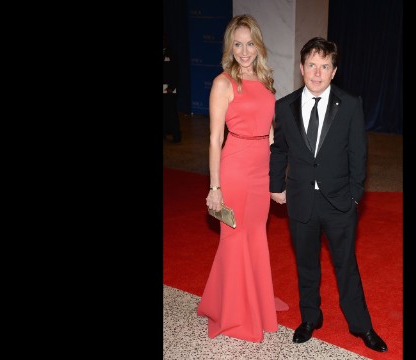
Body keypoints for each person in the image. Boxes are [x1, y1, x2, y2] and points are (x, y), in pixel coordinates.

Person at [269, 37, 388, 352]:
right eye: (312, 65)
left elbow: (358, 154)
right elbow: (278, 149)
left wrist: (354, 196)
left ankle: (361, 325)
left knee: (346, 265)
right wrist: (276, 186)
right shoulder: (284, 106)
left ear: (334, 71)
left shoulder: (349, 104)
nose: (317, 73)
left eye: (325, 66)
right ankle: (310, 318)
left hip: (339, 202)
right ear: (301, 67)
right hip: (300, 200)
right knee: (306, 264)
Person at [197, 14, 287, 343]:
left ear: (258, 46)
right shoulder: (223, 83)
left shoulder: (265, 81)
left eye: (250, 44)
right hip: (235, 166)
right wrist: (215, 187)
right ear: (229, 47)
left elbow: (271, 131)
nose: (244, 51)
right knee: (233, 238)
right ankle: (235, 313)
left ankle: (258, 301)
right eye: (238, 44)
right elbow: (213, 138)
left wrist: (279, 174)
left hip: (261, 167)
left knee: (255, 236)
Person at [163, 31, 182, 143]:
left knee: (171, 112)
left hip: (170, 89)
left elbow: (175, 72)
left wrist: (172, 86)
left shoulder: (172, 54)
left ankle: (176, 135)